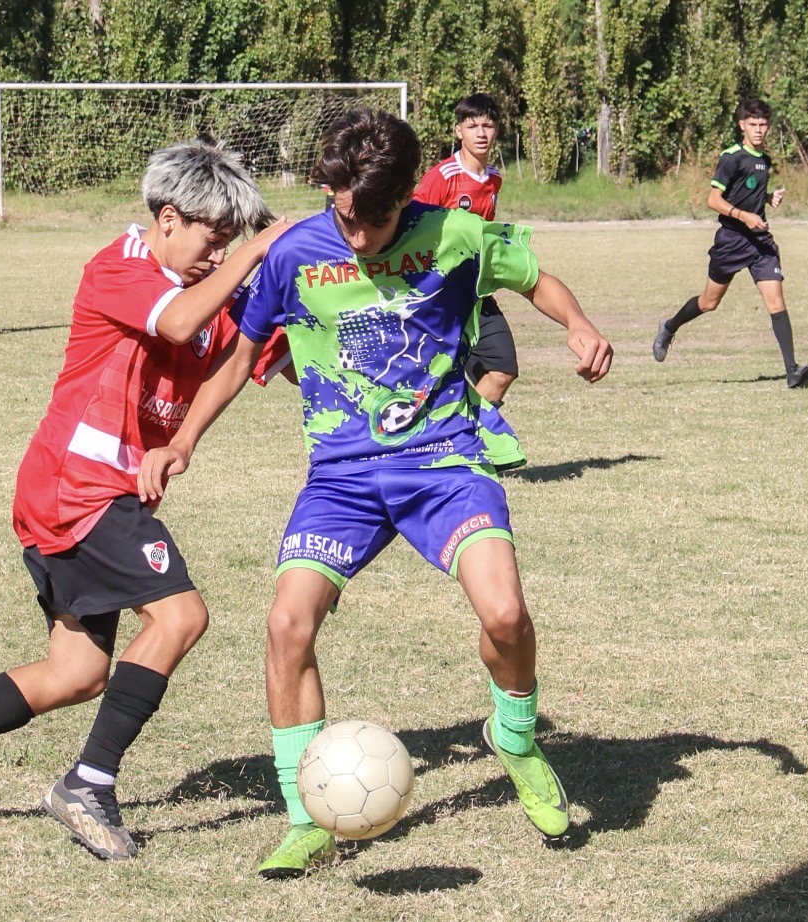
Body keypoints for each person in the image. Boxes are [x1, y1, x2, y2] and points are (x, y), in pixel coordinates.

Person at [139, 109, 614, 878]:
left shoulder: (453, 232)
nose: (359, 237)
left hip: (443, 461)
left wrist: (579, 324)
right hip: (343, 478)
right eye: (346, 217)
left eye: (378, 220)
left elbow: (536, 278)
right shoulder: (294, 253)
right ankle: (304, 817)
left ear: (406, 198)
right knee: (287, 624)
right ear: (329, 190)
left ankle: (516, 740)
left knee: (506, 613)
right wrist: (183, 442)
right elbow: (242, 356)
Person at [0, 139, 289, 860]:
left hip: (104, 495)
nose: (220, 255)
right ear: (167, 219)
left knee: (78, 673)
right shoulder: (119, 266)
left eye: (230, 243)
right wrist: (256, 255)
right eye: (212, 239)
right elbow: (181, 323)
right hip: (74, 487)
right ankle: (89, 782)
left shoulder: (213, 283)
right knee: (182, 615)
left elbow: (254, 355)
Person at [653, 98, 808, 388]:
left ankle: (792, 371)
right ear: (742, 125)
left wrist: (767, 199)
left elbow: (747, 194)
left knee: (776, 300)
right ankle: (670, 325)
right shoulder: (732, 157)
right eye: (752, 124)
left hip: (760, 241)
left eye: (763, 125)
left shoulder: (764, 160)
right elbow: (713, 200)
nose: (758, 130)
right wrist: (744, 216)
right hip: (731, 239)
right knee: (709, 302)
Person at [413, 93, 519, 407]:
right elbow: (412, 231)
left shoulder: (495, 179)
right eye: (473, 126)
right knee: (432, 382)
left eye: (488, 125)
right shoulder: (441, 177)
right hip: (436, 298)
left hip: (474, 294)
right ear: (459, 131)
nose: (481, 133)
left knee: (501, 371)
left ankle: (469, 439)